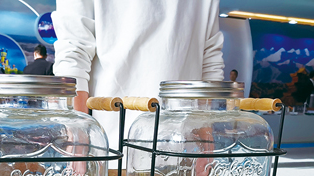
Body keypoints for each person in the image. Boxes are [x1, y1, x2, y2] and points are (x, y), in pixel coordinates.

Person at [52, 0, 224, 138]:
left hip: (185, 143)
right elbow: (74, 57)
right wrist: (78, 141)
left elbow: (209, 59)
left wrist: (205, 137)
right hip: (113, 147)